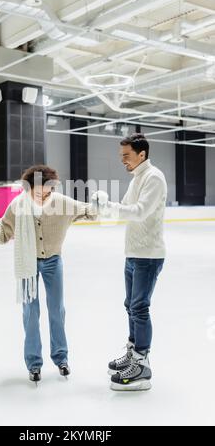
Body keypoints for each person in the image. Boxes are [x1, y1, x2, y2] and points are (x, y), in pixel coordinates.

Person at [0, 165, 97, 384]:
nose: (44, 196)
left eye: (48, 191)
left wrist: (99, 203)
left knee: (57, 310)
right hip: (28, 262)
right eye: (39, 192)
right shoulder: (17, 206)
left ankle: (61, 358)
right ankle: (34, 363)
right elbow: (2, 236)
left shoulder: (62, 203)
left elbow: (88, 211)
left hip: (53, 261)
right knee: (30, 312)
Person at [95, 134, 167, 391]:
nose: (123, 161)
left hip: (148, 254)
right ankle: (133, 351)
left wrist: (111, 205)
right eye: (121, 156)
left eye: (126, 155)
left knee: (139, 307)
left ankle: (142, 363)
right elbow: (125, 206)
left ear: (142, 154)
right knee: (130, 305)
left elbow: (140, 211)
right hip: (134, 253)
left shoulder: (154, 178)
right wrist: (102, 207)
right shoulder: (138, 177)